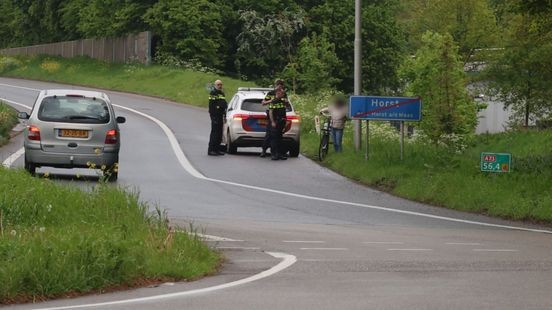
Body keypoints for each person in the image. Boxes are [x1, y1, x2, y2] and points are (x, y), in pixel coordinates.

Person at [260, 79, 288, 158]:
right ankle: (264, 150)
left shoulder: (284, 93)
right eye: (278, 85)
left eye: (281, 85)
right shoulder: (271, 93)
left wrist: (284, 100)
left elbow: (286, 104)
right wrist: (272, 100)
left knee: (279, 136)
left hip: (281, 117)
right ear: (275, 85)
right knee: (269, 136)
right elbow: (263, 103)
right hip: (272, 116)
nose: (280, 86)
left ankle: (279, 153)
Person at [267, 83, 289, 160]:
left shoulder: (282, 101)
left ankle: (280, 154)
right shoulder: (274, 101)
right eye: (281, 93)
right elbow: (270, 112)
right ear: (277, 93)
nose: (282, 95)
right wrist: (272, 122)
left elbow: (287, 108)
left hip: (282, 121)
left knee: (280, 138)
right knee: (274, 138)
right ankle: (274, 154)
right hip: (276, 121)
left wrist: (286, 102)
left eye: (283, 93)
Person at [207, 80, 227, 156]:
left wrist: (224, 114)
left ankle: (217, 149)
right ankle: (211, 150)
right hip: (215, 115)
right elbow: (211, 105)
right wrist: (213, 117)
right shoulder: (213, 93)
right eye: (218, 84)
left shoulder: (222, 93)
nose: (220, 86)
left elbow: (223, 103)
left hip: (220, 114)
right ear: (215, 85)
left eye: (221, 84)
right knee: (214, 133)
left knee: (219, 133)